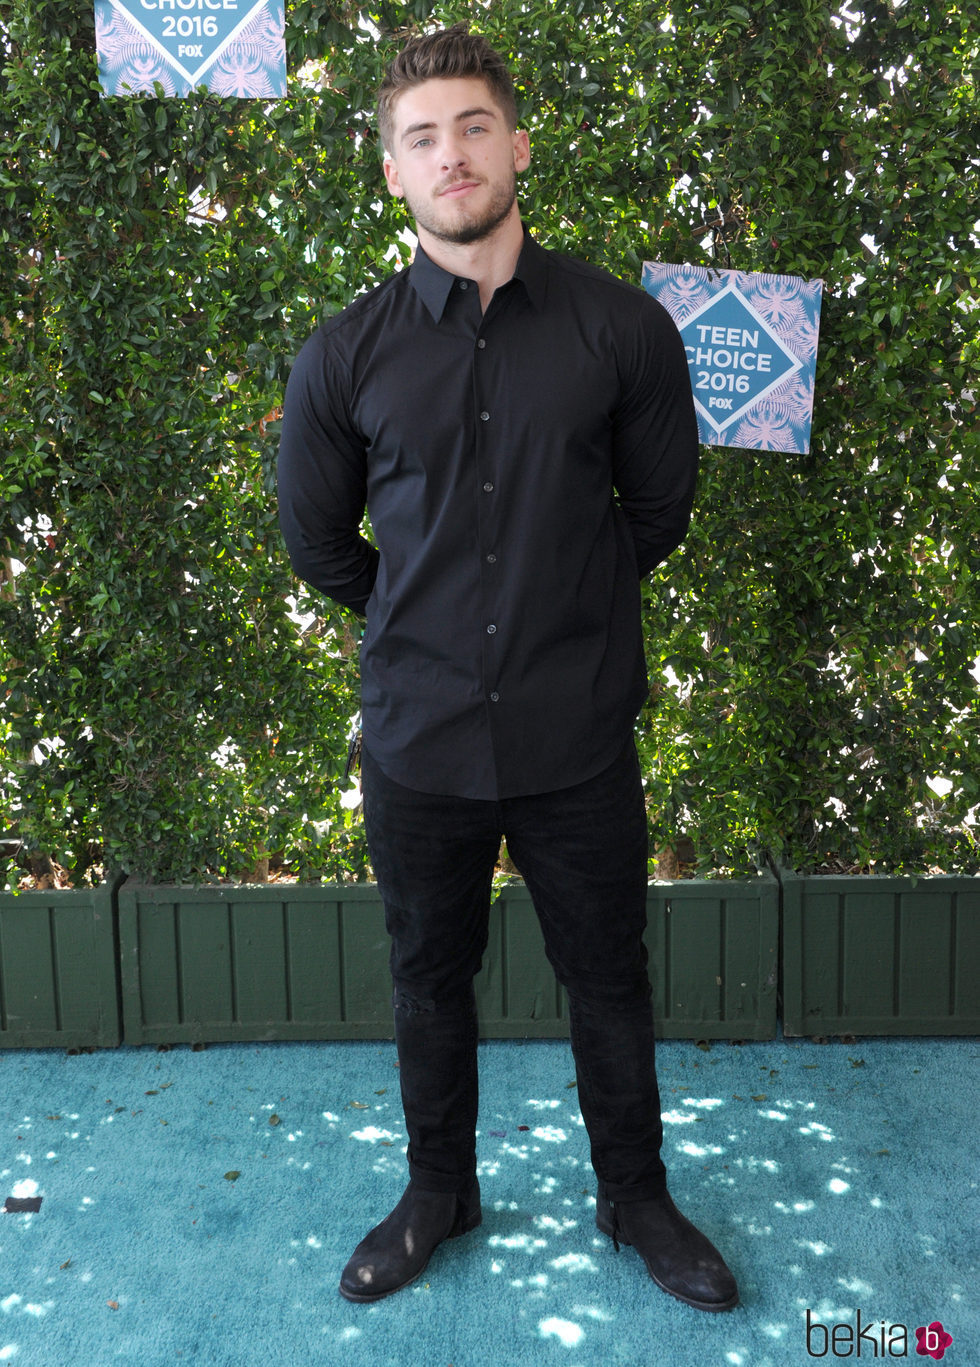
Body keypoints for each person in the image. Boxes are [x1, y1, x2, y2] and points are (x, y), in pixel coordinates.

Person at [277, 23, 738, 1313]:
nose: (452, 154)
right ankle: (441, 1192)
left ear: (518, 145)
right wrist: (417, 623)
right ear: (393, 174)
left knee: (609, 976)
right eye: (421, 136)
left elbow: (655, 517)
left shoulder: (624, 330)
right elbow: (320, 542)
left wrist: (557, 612)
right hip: (418, 742)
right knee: (429, 978)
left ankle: (635, 1194)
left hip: (576, 733)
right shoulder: (344, 355)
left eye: (473, 126)